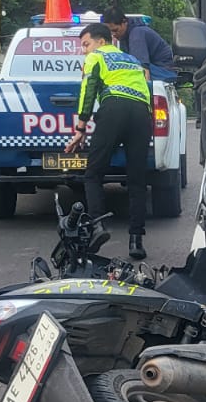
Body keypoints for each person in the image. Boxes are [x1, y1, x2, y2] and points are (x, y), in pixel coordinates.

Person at [65, 22, 153, 261]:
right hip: (141, 114)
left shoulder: (96, 58)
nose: (84, 50)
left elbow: (88, 89)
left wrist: (81, 126)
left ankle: (97, 226)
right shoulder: (132, 60)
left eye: (86, 44)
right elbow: (146, 90)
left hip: (113, 109)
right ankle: (136, 240)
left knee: (93, 173)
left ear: (101, 42)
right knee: (137, 179)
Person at [101, 8, 174, 81]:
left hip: (163, 72)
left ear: (124, 22)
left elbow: (141, 69)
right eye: (110, 32)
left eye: (115, 30)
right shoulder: (124, 36)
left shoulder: (137, 34)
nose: (113, 34)